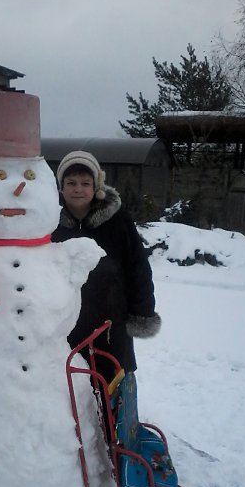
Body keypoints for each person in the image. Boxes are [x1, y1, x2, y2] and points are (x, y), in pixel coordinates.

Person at [52, 150, 161, 383]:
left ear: (96, 186)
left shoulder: (118, 220)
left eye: (85, 183)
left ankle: (114, 408)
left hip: (110, 321)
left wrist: (142, 311)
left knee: (111, 379)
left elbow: (137, 267)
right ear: (61, 187)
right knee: (70, 382)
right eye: (71, 183)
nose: (78, 189)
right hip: (64, 319)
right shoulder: (49, 221)